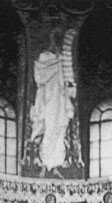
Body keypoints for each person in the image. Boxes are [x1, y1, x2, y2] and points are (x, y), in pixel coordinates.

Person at [30, 31, 76, 172]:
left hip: (58, 99)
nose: (56, 45)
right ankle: (49, 157)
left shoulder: (60, 60)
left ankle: (54, 158)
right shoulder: (47, 58)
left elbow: (69, 83)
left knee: (58, 128)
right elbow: (39, 77)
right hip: (50, 99)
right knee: (51, 127)